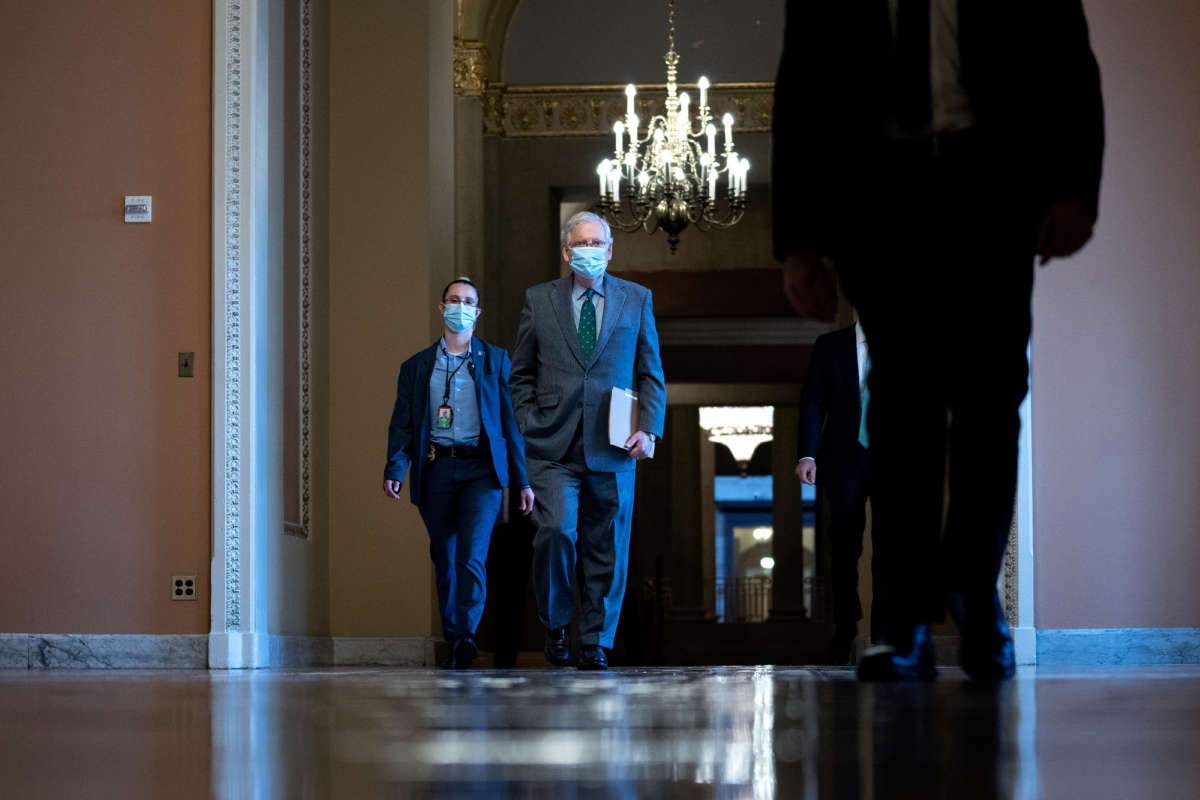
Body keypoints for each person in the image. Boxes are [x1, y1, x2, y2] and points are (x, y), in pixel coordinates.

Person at [772, 0, 1104, 680]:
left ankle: (974, 595)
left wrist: (1075, 189)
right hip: (880, 196)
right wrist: (799, 242)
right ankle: (902, 619)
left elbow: (1067, 58)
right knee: (899, 407)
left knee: (991, 395)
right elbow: (802, 84)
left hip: (992, 185)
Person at [510, 211, 666, 670]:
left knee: (608, 549)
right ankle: (557, 623)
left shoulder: (636, 300)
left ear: (610, 250)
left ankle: (596, 641)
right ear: (566, 251)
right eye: (582, 243)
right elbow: (520, 373)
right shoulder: (539, 301)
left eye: (598, 244)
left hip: (615, 444)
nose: (590, 251)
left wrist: (649, 428)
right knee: (556, 532)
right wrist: (526, 420)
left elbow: (650, 371)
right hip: (551, 446)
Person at [383, 277, 535, 669]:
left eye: (468, 301)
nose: (460, 306)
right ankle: (454, 635)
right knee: (444, 555)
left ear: (477, 312)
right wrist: (395, 467)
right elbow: (403, 423)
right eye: (453, 300)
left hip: (481, 471)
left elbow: (509, 424)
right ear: (441, 308)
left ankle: (466, 635)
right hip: (435, 468)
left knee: (472, 554)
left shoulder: (496, 360)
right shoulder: (416, 367)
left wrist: (521, 479)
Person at [797, 319, 874, 664]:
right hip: (843, 458)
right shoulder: (830, 345)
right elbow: (814, 400)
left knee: (891, 546)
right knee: (844, 544)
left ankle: (887, 629)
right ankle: (845, 625)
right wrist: (807, 454)